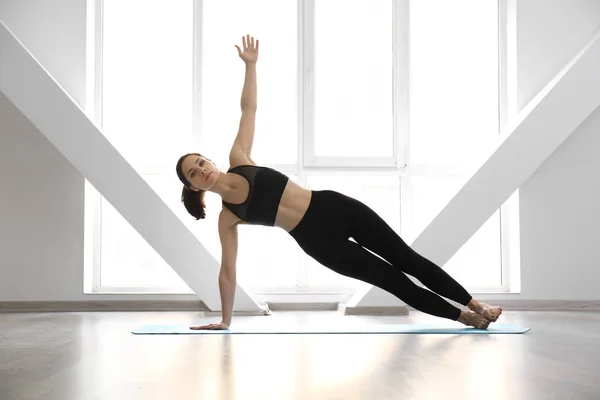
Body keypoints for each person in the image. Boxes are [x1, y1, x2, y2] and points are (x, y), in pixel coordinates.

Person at [176, 34, 502, 331]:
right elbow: (228, 271)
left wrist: (251, 66)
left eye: (201, 162)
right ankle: (466, 318)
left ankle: (477, 303)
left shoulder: (240, 158)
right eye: (194, 173)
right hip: (318, 242)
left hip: (335, 208)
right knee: (393, 281)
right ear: (193, 187)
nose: (202, 170)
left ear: (211, 161)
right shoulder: (228, 217)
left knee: (406, 258)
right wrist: (225, 319)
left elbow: (249, 108)